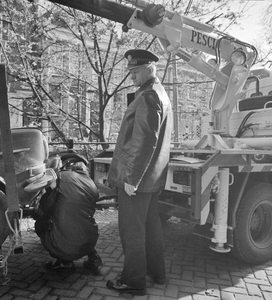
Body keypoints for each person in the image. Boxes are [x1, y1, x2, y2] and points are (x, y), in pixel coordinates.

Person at [106, 49, 173, 295]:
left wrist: (131, 179)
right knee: (151, 227)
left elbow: (145, 141)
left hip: (138, 179)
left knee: (131, 231)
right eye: (130, 71)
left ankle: (133, 281)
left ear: (149, 68)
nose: (131, 76)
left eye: (135, 71)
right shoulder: (159, 93)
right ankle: (157, 274)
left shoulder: (148, 96)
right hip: (151, 178)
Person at [32, 153, 102, 270]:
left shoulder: (59, 178)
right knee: (80, 220)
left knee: (40, 223)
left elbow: (45, 208)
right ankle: (93, 256)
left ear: (65, 165)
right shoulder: (92, 184)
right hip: (90, 241)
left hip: (64, 246)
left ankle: (63, 261)